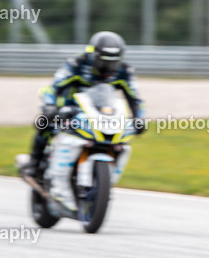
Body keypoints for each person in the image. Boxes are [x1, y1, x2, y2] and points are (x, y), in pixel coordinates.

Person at [20, 31, 145, 210]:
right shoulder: (76, 64)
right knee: (43, 122)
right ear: (93, 55)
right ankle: (34, 163)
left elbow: (135, 98)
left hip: (100, 112)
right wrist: (50, 106)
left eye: (113, 61)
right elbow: (52, 88)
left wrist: (139, 118)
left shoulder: (124, 70)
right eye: (104, 60)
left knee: (118, 138)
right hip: (69, 109)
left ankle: (100, 182)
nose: (109, 66)